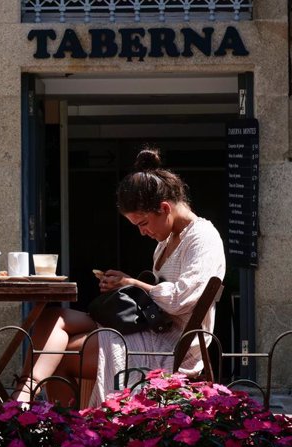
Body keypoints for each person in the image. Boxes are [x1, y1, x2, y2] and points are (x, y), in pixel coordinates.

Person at [12, 147, 226, 406]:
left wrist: (132, 283)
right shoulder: (166, 241)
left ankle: (55, 424)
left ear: (165, 208)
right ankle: (24, 395)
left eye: (143, 223)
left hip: (170, 344)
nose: (142, 232)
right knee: (53, 315)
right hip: (148, 327)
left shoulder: (202, 237)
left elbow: (183, 299)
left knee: (62, 355)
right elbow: (159, 298)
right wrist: (126, 286)